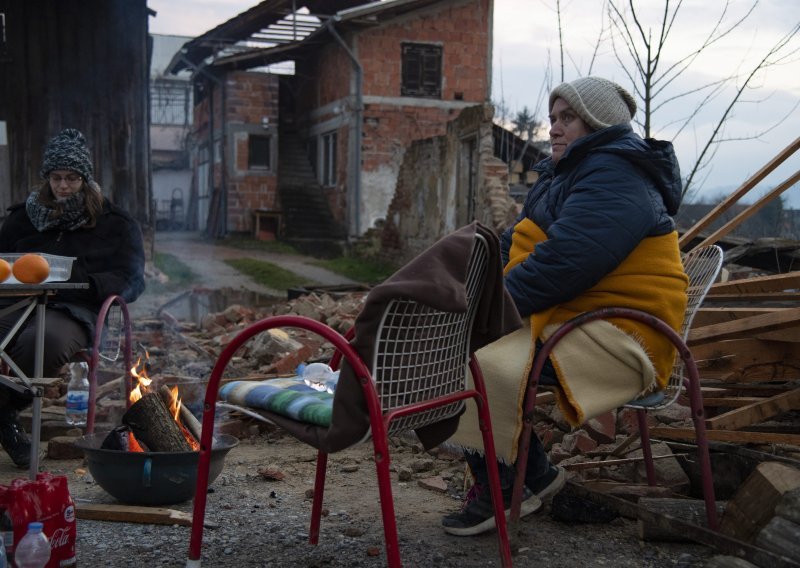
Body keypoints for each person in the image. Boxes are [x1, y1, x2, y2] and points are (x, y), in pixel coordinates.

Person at [442, 77, 689, 536]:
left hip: (622, 335)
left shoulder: (618, 176)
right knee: (459, 340)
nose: (553, 128)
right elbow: (514, 244)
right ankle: (530, 475)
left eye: (567, 118)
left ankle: (508, 483)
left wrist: (484, 311)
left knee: (469, 359)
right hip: (578, 319)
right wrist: (463, 284)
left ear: (597, 124)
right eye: (552, 118)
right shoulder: (568, 173)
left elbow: (563, 264)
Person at [0, 128, 146, 467]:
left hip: (73, 309)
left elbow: (133, 280)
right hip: (17, 303)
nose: (63, 186)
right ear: (46, 177)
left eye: (71, 178)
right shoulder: (23, 218)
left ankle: (4, 413)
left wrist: (91, 283)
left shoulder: (114, 224)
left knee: (45, 342)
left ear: (85, 178)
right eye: (56, 178)